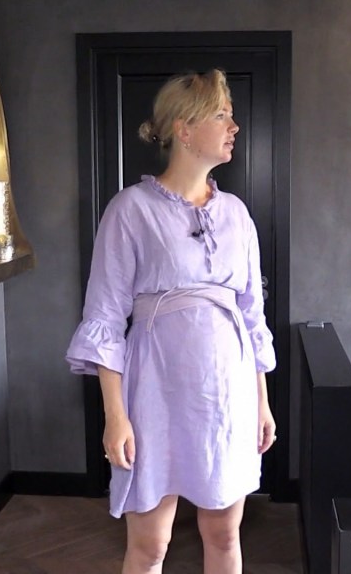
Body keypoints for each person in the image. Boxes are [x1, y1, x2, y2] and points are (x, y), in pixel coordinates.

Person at [65, 68, 277, 574]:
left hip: (227, 395)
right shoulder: (130, 210)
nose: (234, 127)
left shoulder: (237, 214)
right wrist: (115, 415)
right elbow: (104, 316)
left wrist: (262, 402)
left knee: (224, 535)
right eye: (221, 115)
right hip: (155, 392)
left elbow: (252, 315)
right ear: (184, 128)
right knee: (150, 546)